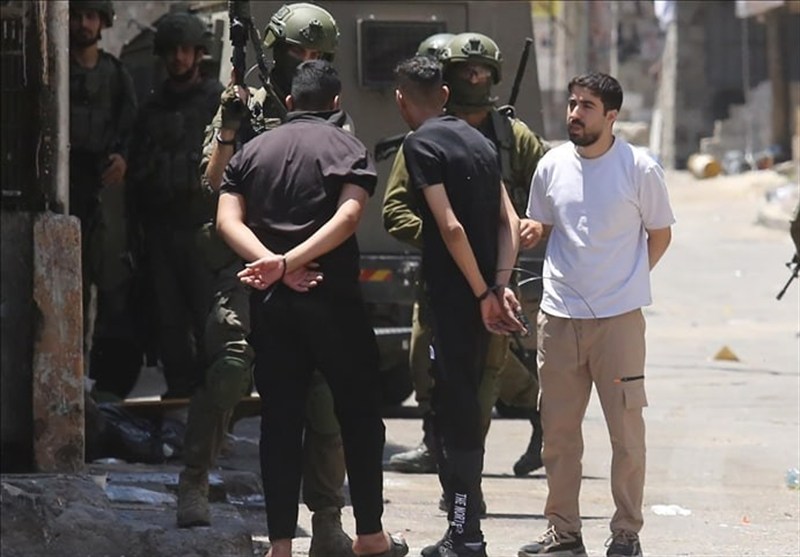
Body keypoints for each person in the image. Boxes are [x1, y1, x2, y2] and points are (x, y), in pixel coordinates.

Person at [216, 59, 407, 557]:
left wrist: (275, 265)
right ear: (336, 103)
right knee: (360, 417)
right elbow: (349, 217)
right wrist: (290, 263)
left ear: (289, 102)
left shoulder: (253, 150)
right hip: (333, 304)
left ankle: (280, 545)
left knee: (280, 422)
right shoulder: (347, 147)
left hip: (273, 305)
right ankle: (371, 536)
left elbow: (227, 220)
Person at [182, 4, 354, 554]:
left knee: (322, 391)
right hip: (247, 260)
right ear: (276, 53)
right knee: (231, 368)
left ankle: (327, 517)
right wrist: (230, 129)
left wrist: (299, 261)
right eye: (296, 51)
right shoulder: (243, 104)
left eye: (316, 54)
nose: (305, 61)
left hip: (308, 264)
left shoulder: (333, 114)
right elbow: (213, 186)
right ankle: (194, 481)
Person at [518, 72, 674, 557]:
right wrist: (532, 231)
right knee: (559, 434)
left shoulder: (639, 168)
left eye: (586, 106)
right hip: (558, 318)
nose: (574, 114)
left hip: (618, 322)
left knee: (626, 434)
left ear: (611, 116)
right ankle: (564, 532)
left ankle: (626, 533)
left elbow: (660, 233)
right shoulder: (551, 165)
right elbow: (543, 222)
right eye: (572, 104)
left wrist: (628, 280)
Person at [383, 31, 548, 485]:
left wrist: (537, 224)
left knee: (486, 373)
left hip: (498, 273)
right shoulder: (425, 141)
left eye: (482, 71)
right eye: (466, 71)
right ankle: (439, 446)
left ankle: (462, 475)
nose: (475, 79)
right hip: (442, 279)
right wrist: (441, 242)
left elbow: (552, 194)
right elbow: (396, 210)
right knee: (425, 363)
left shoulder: (513, 137)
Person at [394, 54, 524, 557]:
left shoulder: (419, 144)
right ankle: (463, 529)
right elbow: (510, 222)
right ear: (445, 95)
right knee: (467, 404)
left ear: (402, 101)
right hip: (484, 296)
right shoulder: (481, 140)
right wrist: (500, 285)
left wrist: (480, 294)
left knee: (456, 412)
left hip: (454, 301)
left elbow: (449, 226)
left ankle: (466, 533)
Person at [127, 12, 222, 402]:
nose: (178, 58)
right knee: (168, 317)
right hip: (162, 229)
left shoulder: (218, 102)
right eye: (171, 51)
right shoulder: (151, 108)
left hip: (205, 227)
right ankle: (180, 390)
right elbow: (135, 173)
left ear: (199, 54)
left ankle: (217, 391)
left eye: (185, 50)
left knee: (210, 316)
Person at [68, 0, 142, 400]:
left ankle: (109, 388)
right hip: (68, 188)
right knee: (71, 290)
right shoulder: (58, 72)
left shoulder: (115, 74)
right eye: (77, 16)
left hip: (106, 189)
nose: (83, 24)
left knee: (114, 289)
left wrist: (122, 158)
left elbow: (131, 128)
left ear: (103, 22)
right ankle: (72, 380)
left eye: (90, 16)